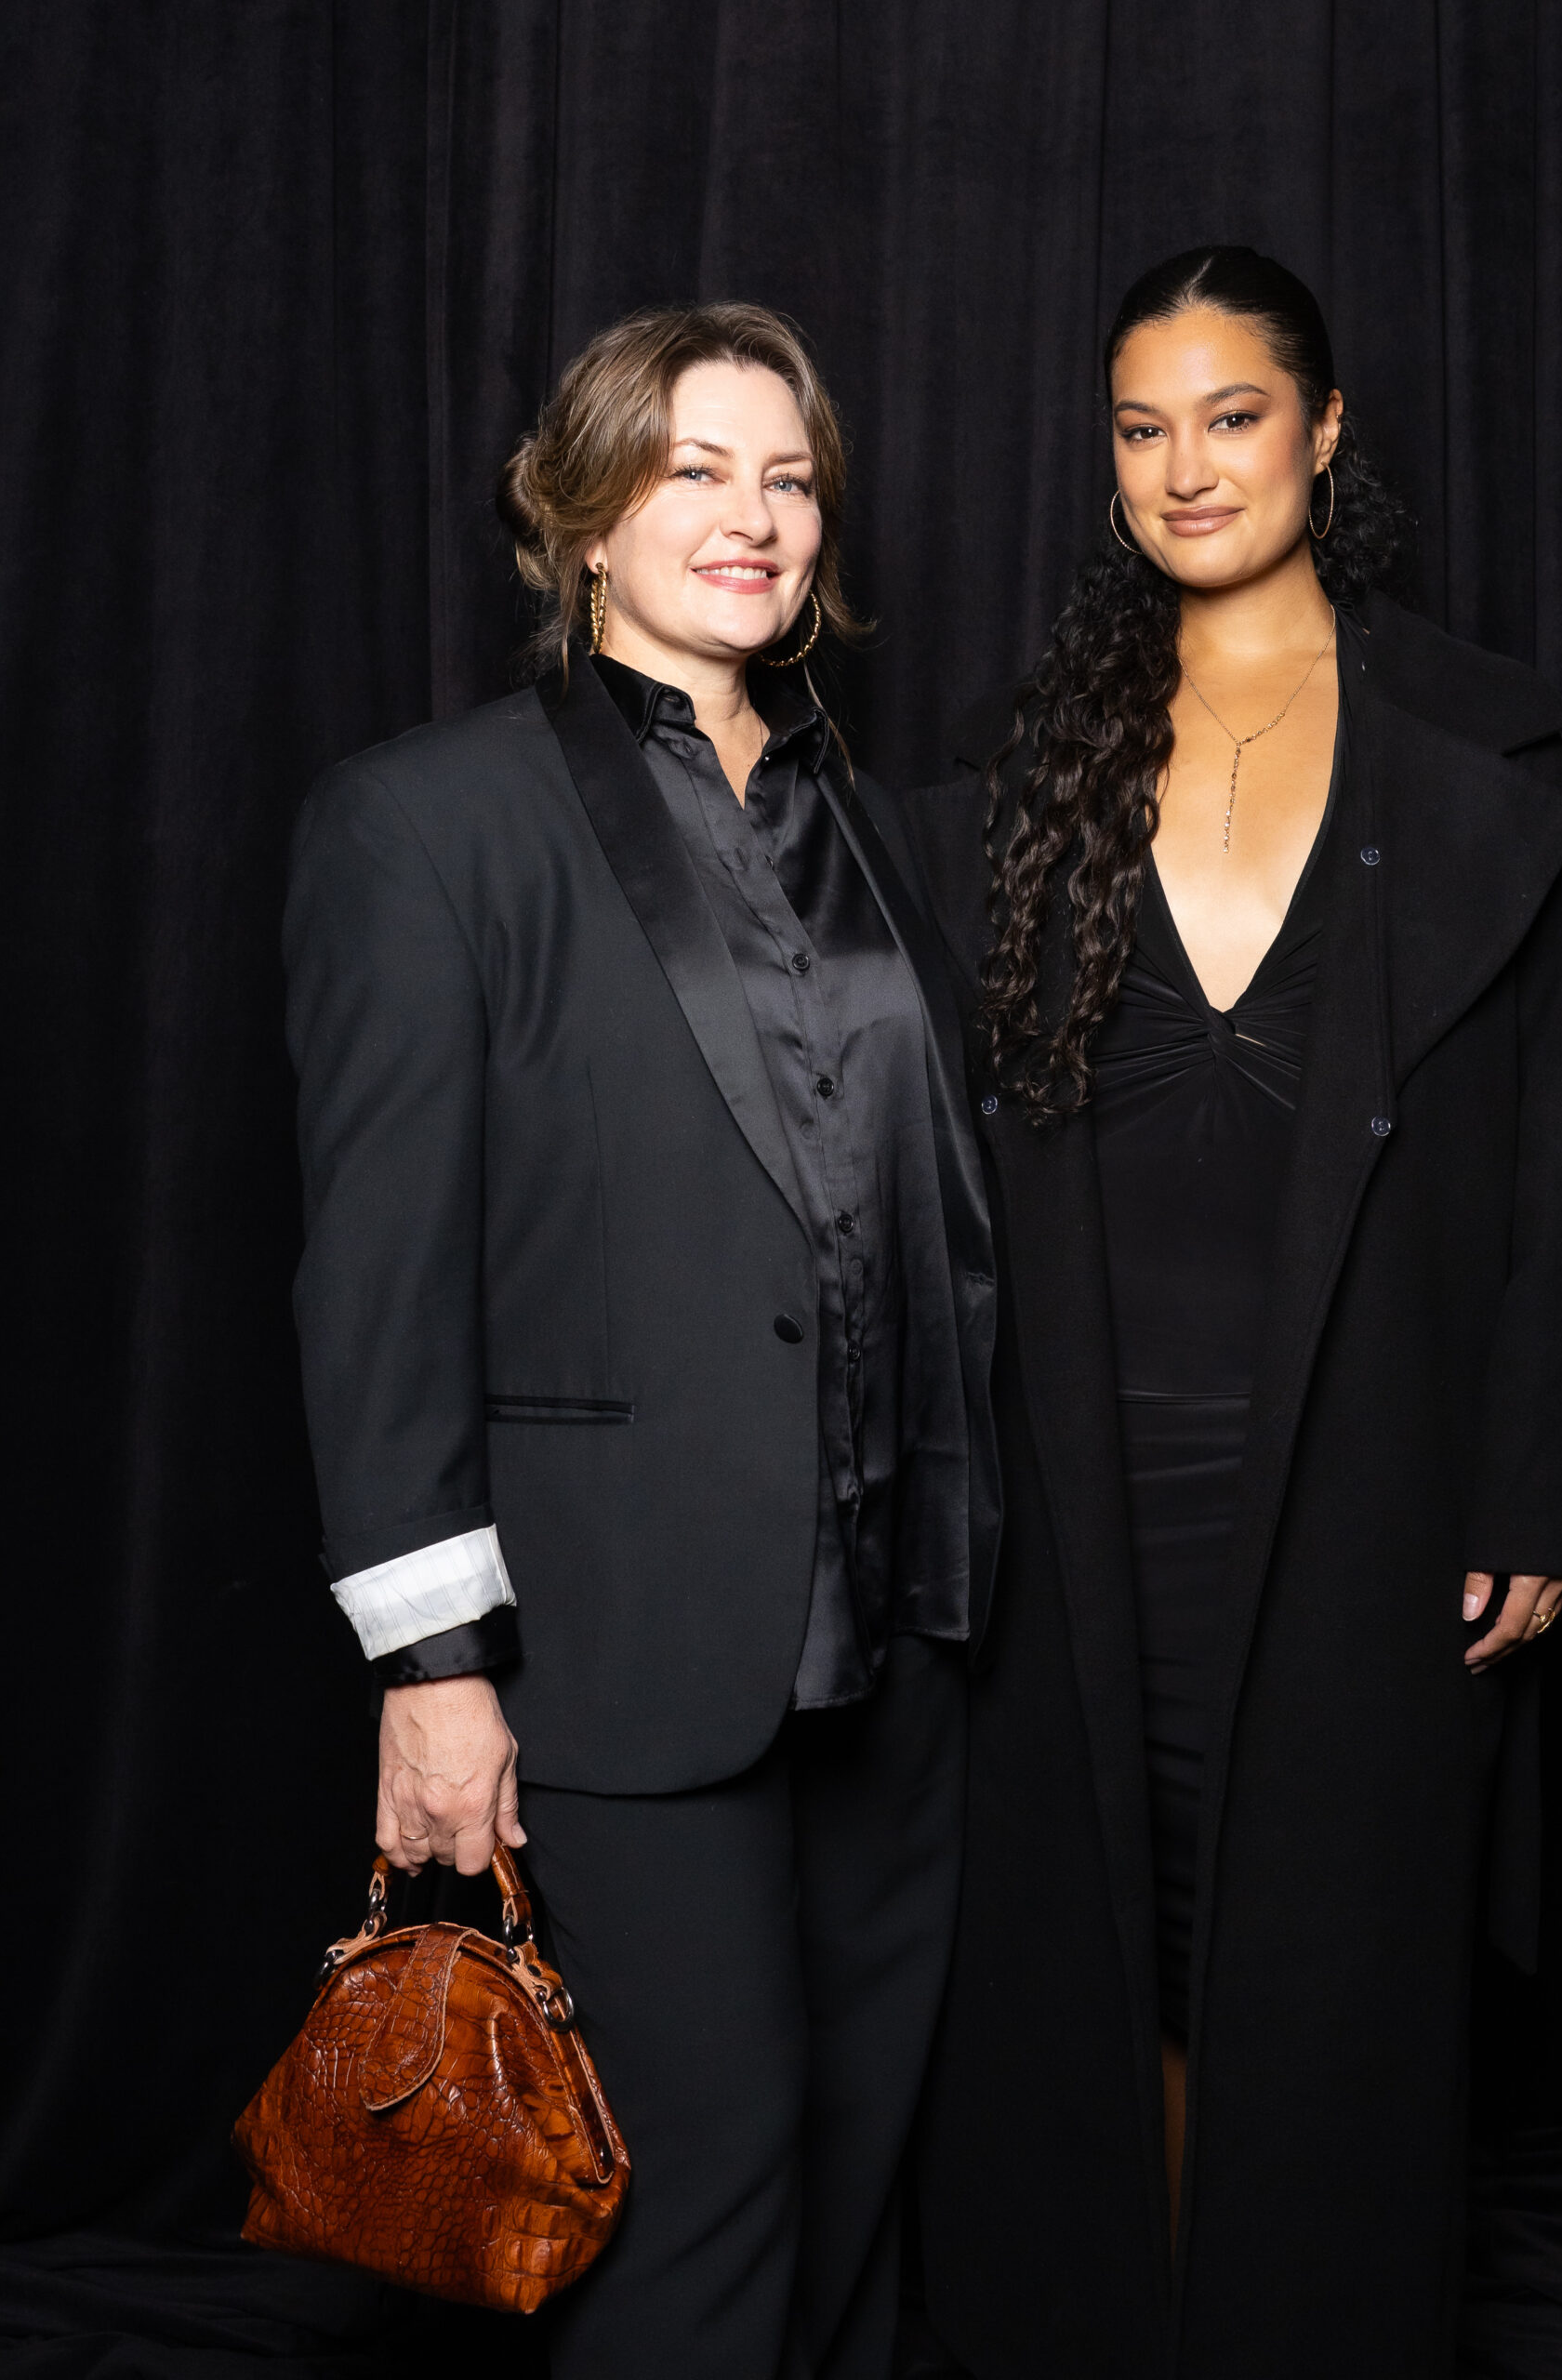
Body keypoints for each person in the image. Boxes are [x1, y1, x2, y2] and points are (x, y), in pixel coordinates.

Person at [893, 246, 1562, 2378]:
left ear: (1321, 431)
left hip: (1371, 1470)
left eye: (1228, 416)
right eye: (1139, 426)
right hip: (1076, 1479)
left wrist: (1542, 1481)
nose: (1183, 467)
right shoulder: (1024, 758)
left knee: (1319, 1968)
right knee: (1098, 1959)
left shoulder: (1480, 748)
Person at [284, 302, 999, 2380]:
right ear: (586, 510)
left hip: (899, 1619)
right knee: (705, 2176)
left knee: (868, 2162)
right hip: (618, 1632)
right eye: (696, 465)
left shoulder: (883, 827)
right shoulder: (429, 821)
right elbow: (376, 1275)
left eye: (786, 476)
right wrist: (435, 1670)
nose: (751, 515)